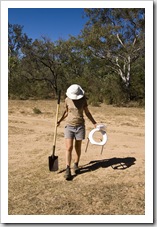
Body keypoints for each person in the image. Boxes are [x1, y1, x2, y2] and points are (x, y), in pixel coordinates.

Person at [57, 84, 97, 180]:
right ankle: (67, 169)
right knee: (69, 147)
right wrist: (59, 120)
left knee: (77, 147)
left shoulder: (83, 100)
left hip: (80, 127)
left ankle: (76, 164)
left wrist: (94, 123)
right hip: (69, 126)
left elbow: (87, 112)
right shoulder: (67, 100)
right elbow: (66, 112)